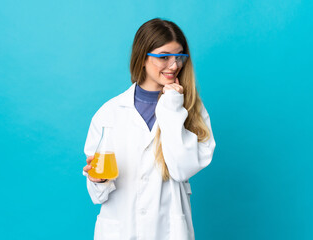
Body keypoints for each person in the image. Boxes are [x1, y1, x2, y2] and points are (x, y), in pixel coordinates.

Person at [82, 18, 216, 240]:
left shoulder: (192, 109)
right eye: (164, 57)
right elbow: (99, 196)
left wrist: (174, 107)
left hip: (170, 231)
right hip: (120, 231)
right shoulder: (110, 112)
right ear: (142, 58)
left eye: (179, 56)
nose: (174, 65)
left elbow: (181, 168)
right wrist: (98, 181)